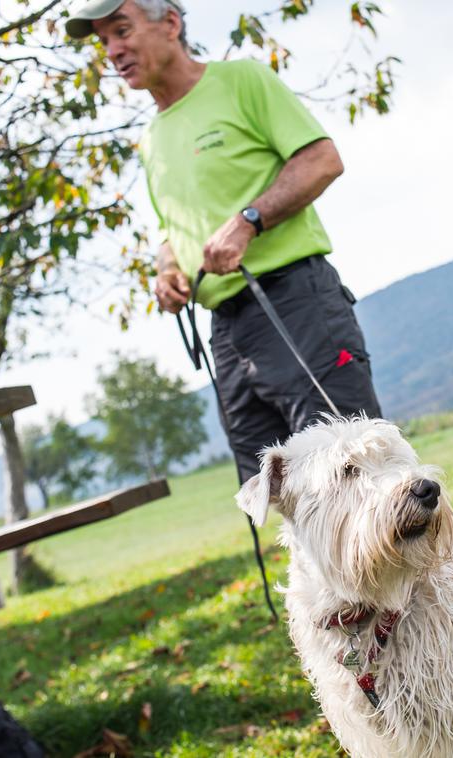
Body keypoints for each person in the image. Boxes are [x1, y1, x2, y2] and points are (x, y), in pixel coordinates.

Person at [66, 0, 383, 486]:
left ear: (170, 24)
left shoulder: (242, 80)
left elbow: (321, 160)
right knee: (273, 495)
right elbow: (175, 231)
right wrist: (166, 271)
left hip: (296, 305)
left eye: (122, 30)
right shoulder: (152, 138)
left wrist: (248, 221)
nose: (113, 50)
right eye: (104, 41)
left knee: (359, 478)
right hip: (227, 334)